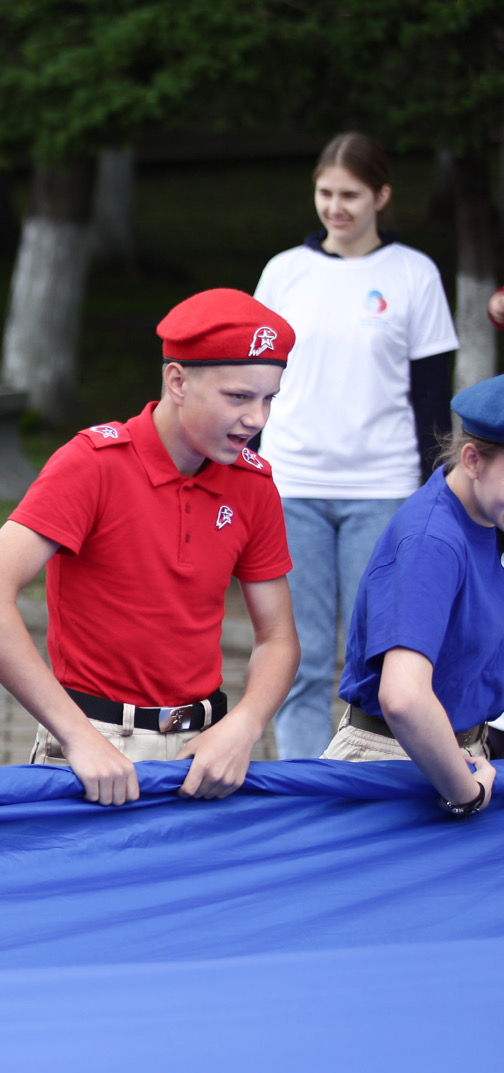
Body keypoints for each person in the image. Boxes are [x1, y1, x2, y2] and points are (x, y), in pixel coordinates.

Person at [0, 289, 301, 806]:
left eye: (269, 398)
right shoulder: (92, 464)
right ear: (177, 380)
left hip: (204, 753)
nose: (258, 419)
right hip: (94, 749)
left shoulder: (253, 484)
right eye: (239, 397)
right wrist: (78, 737)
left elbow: (279, 639)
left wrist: (245, 727)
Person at [253, 133, 458, 760]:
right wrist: (248, 465)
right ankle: (300, 789)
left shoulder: (413, 273)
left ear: (381, 196)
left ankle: (372, 778)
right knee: (302, 654)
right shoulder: (285, 271)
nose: (335, 207)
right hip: (292, 488)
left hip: (383, 491)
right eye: (325, 193)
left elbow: (432, 395)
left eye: (350, 195)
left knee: (380, 657)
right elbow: (250, 382)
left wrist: (433, 490)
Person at [321, 374, 504, 818]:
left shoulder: (487, 514)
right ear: (473, 460)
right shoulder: (433, 541)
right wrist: (467, 793)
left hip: (459, 754)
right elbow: (404, 697)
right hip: (397, 764)